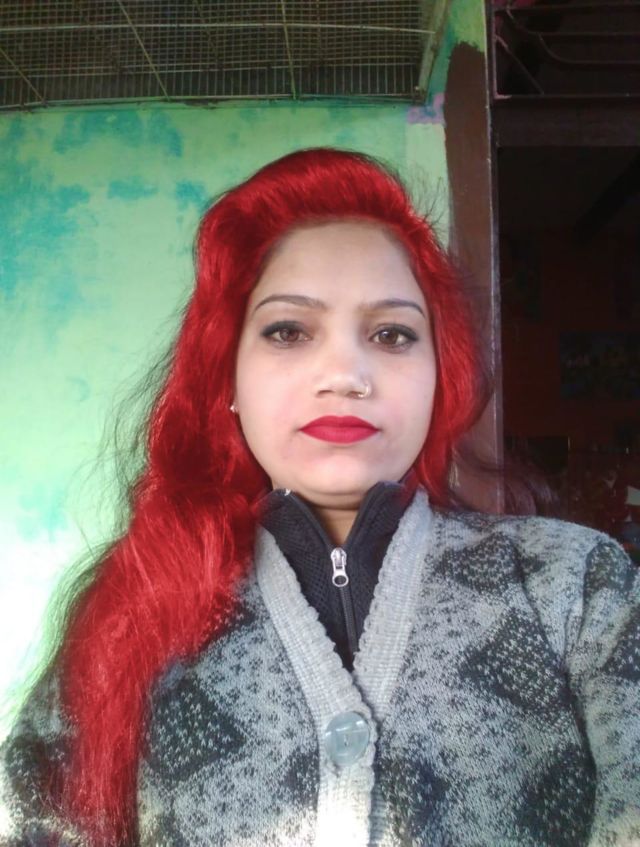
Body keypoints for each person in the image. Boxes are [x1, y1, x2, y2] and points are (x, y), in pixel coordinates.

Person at [1, 148, 638, 847]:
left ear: (439, 375)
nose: (345, 374)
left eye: (392, 334)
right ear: (228, 379)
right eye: (288, 331)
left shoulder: (579, 587)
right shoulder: (133, 610)